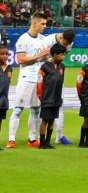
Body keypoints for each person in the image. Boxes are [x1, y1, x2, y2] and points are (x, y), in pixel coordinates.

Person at [7, 11, 50, 148]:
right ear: (35, 23)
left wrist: (45, 57)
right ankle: (11, 139)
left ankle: (32, 138)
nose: (44, 26)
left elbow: (44, 58)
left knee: (35, 109)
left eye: (45, 24)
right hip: (26, 78)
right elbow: (21, 60)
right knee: (18, 109)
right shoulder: (23, 39)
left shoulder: (43, 39)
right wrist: (40, 55)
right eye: (42, 24)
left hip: (38, 79)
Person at [42, 27, 75, 144]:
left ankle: (60, 136)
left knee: (60, 105)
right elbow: (44, 58)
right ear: (61, 38)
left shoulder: (70, 43)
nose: (66, 46)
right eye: (65, 43)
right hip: (46, 75)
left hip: (57, 75)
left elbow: (62, 58)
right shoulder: (48, 40)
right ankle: (36, 137)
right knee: (42, 109)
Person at [36, 43, 66, 149]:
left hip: (57, 98)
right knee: (45, 120)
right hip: (47, 97)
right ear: (55, 54)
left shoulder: (62, 66)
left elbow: (61, 82)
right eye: (62, 54)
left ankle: (48, 142)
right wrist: (41, 96)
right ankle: (42, 143)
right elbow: (39, 82)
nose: (64, 56)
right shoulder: (45, 67)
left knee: (52, 119)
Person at [0, 45, 11, 145]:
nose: (5, 56)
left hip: (3, 101)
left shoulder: (9, 68)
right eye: (2, 54)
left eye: (6, 54)